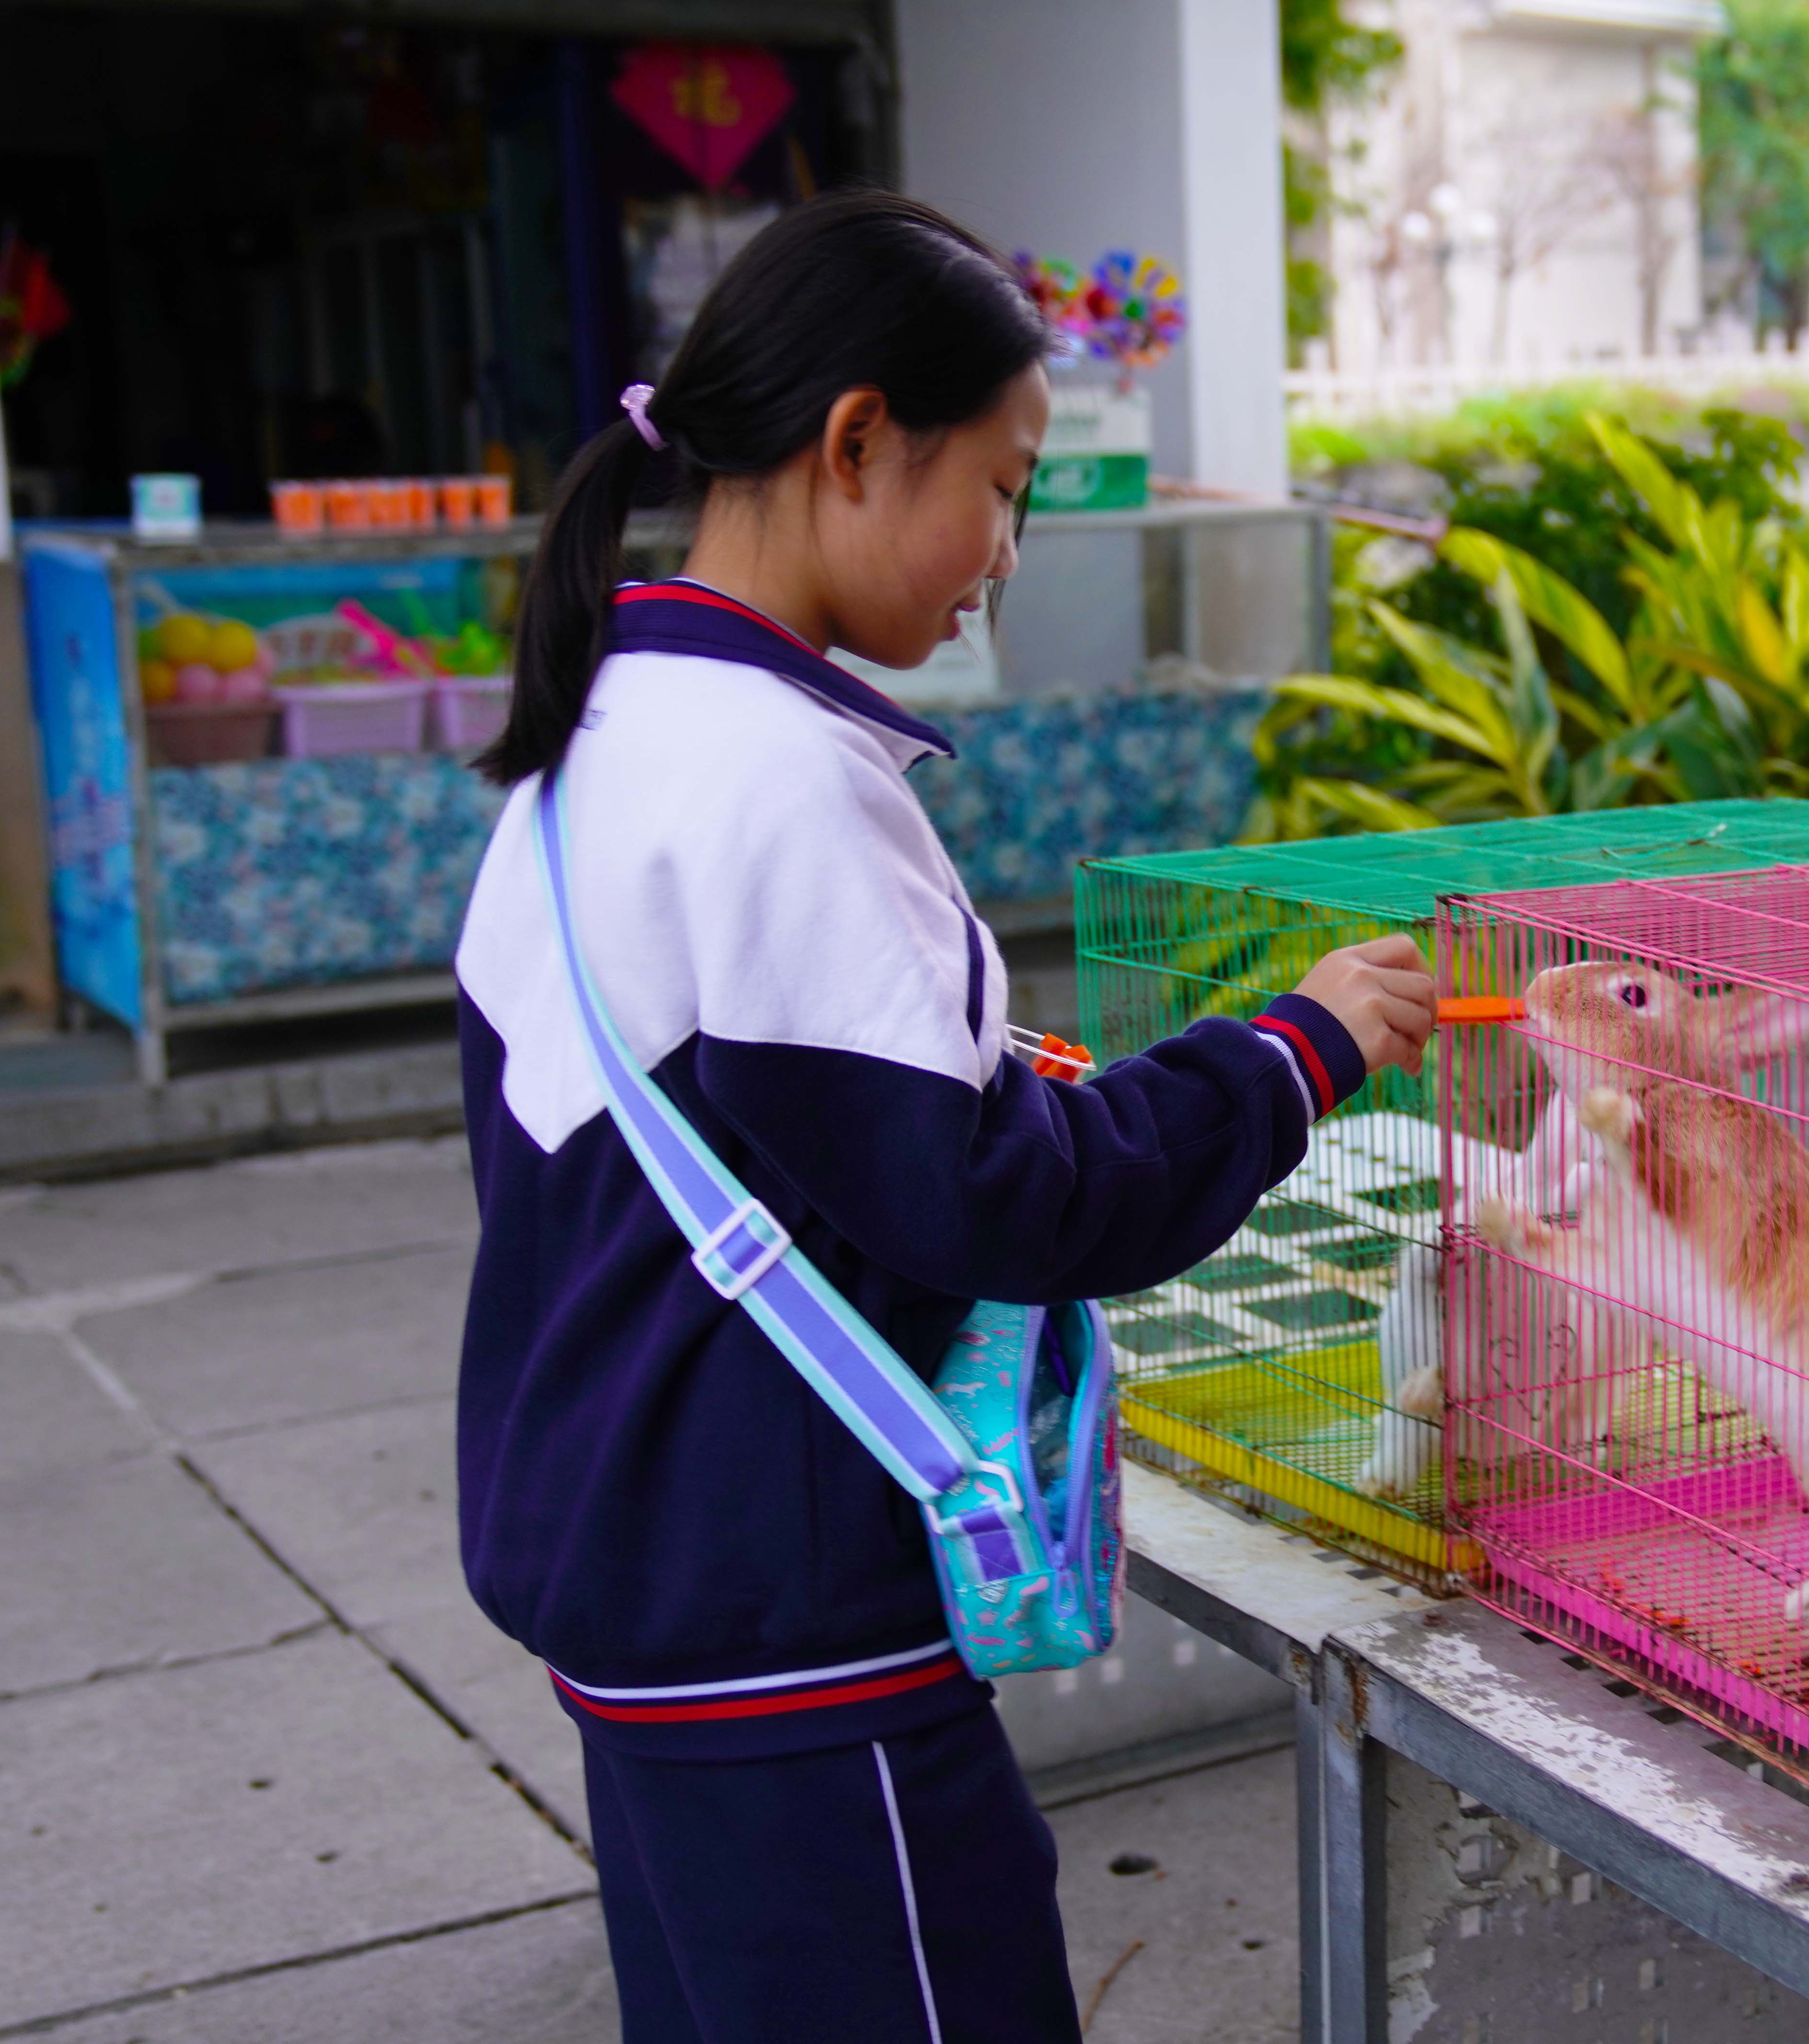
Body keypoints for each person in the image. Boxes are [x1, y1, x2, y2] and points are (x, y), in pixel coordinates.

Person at [452, 190, 1435, 2044]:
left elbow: (730, 1146)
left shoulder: (599, 744)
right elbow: (1006, 1203)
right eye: (1001, 485)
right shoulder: (783, 779)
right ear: (855, 443)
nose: (1004, 552)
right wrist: (1293, 1051)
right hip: (791, 1630)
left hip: (637, 1579)